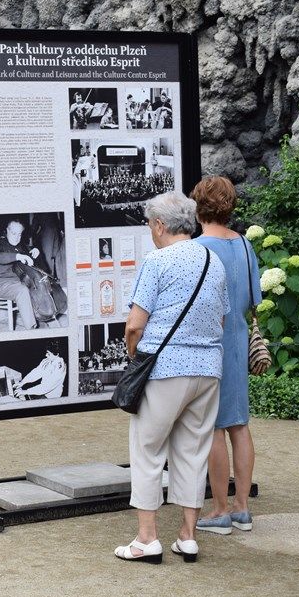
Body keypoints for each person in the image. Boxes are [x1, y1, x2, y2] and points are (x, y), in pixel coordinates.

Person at [114, 192, 228, 563]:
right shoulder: (214, 260)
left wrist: (134, 356)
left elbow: (135, 324)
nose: (150, 231)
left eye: (150, 225)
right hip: (208, 370)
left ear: (160, 225)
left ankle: (147, 539)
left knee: (148, 451)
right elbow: (221, 318)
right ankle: (188, 536)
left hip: (164, 370)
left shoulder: (157, 261)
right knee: (193, 452)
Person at [191, 176, 262, 535]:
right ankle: (242, 508)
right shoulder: (245, 245)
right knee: (239, 424)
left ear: (199, 207)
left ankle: (219, 509)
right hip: (236, 339)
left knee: (215, 427)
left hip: (209, 343)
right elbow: (254, 299)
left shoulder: (198, 248)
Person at [0, 220, 39, 330]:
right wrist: (18, 256)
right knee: (23, 290)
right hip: (0, 285)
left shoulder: (21, 247)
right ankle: (32, 329)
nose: (17, 237)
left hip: (18, 283)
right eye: (14, 233)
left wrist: (35, 250)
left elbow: (29, 252)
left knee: (35, 287)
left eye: (19, 234)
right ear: (7, 231)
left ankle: (41, 317)